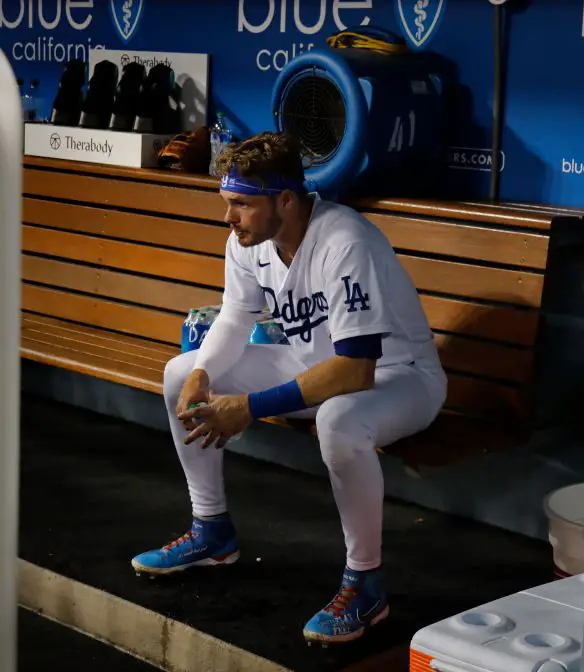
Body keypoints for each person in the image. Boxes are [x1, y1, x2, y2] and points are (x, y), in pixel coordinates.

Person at [131, 132, 447, 644]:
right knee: (176, 373)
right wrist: (201, 375)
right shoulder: (247, 241)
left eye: (241, 205)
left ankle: (365, 582)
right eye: (227, 203)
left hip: (401, 376)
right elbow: (236, 317)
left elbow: (356, 371)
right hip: (317, 362)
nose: (229, 218)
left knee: (338, 420)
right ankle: (212, 531)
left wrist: (251, 407)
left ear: (285, 200)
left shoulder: (345, 241)